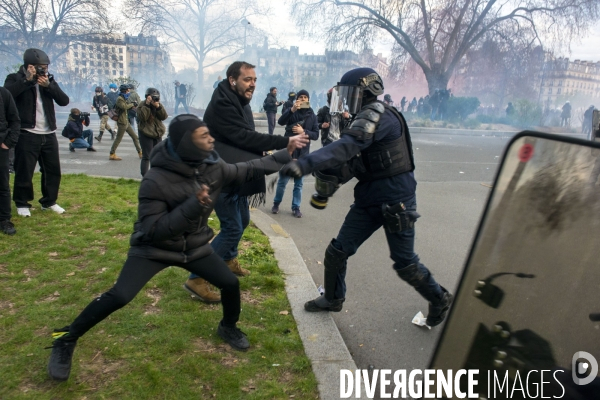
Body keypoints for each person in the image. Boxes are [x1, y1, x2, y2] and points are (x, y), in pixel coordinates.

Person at [45, 114, 299, 382]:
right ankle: (66, 337)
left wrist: (285, 153)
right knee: (120, 295)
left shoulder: (212, 165)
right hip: (155, 248)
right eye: (203, 135)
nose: (211, 138)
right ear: (186, 143)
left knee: (230, 284)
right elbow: (156, 230)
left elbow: (246, 169)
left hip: (194, 246)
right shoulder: (155, 180)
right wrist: (193, 205)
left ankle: (228, 327)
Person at [280, 67, 453, 328]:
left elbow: (348, 147)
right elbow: (353, 161)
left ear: (365, 91)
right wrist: (328, 182)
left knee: (405, 263)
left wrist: (307, 164)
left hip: (397, 201)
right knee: (337, 251)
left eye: (350, 93)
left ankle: (439, 298)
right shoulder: (362, 119)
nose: (347, 99)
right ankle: (333, 299)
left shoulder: (381, 116)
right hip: (369, 198)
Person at [182, 61, 308, 303]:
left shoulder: (236, 99)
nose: (252, 84)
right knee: (232, 227)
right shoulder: (223, 103)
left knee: (244, 220)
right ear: (232, 80)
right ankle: (196, 278)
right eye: (247, 79)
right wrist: (285, 142)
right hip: (221, 175)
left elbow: (244, 136)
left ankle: (227, 259)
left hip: (235, 171)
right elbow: (243, 136)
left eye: (254, 80)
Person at [4, 48, 69, 217]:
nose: (44, 70)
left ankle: (49, 201)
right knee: (25, 170)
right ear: (29, 65)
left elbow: (64, 101)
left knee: (52, 170)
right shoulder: (15, 78)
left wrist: (50, 86)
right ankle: (22, 203)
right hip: (27, 132)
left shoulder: (47, 80)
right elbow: (7, 95)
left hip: (48, 132)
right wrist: (27, 81)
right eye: (41, 67)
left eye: (46, 67)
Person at [272, 89, 319, 218]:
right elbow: (281, 122)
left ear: (308, 100)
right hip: (289, 152)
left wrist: (303, 131)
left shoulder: (312, 115)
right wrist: (292, 109)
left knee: (299, 184)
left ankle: (296, 207)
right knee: (283, 181)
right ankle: (276, 203)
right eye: (301, 97)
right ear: (297, 99)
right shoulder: (291, 111)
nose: (303, 99)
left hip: (303, 154)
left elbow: (316, 135)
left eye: (305, 97)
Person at [0, 86, 21, 235]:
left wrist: (8, 143)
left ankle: (4, 219)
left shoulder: (3, 94)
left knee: (2, 184)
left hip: (1, 146)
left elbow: (15, 120)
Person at [138, 88, 168, 176]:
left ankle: (155, 175)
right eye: (151, 97)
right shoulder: (142, 104)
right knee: (147, 156)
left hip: (157, 133)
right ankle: (145, 175)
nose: (153, 99)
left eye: (156, 97)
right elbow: (143, 117)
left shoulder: (157, 104)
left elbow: (164, 117)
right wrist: (147, 105)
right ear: (147, 97)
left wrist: (158, 107)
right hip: (146, 133)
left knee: (157, 155)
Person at [109, 84, 142, 161]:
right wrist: (132, 104)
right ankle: (112, 153)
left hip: (126, 121)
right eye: (127, 90)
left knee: (135, 137)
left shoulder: (124, 98)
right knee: (118, 139)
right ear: (124, 91)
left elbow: (127, 106)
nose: (129, 92)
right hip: (122, 122)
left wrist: (133, 104)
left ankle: (140, 153)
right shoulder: (120, 99)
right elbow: (124, 107)